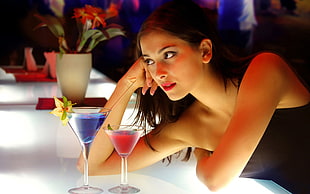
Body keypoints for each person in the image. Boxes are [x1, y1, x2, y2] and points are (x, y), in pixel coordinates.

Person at [81, 0, 310, 193]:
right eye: (148, 61)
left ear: (205, 50)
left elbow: (215, 180)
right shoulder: (188, 125)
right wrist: (126, 84)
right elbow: (91, 165)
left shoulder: (265, 69)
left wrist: (201, 153)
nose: (158, 73)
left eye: (169, 54)